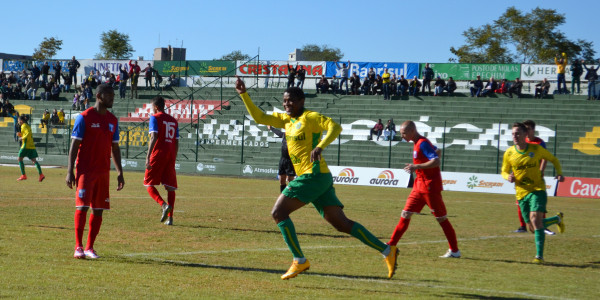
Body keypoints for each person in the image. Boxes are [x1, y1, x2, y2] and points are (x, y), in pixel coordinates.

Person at [234, 77, 399, 280]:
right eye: (285, 100)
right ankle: (387, 251)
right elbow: (259, 117)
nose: (287, 104)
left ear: (302, 101)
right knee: (341, 224)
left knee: (279, 212)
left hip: (312, 175)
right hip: (319, 178)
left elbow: (335, 127)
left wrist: (320, 146)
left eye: (291, 100)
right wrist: (244, 94)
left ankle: (299, 261)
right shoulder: (286, 120)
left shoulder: (310, 117)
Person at [66, 84, 124, 259]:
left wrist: (119, 172)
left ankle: (90, 248)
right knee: (82, 206)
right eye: (109, 95)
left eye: (113, 95)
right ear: (99, 96)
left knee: (98, 210)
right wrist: (70, 171)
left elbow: (115, 148)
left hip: (103, 172)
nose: (113, 98)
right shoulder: (84, 117)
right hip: (85, 170)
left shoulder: (113, 120)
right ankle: (78, 247)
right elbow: (74, 145)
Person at [387, 120, 460, 259]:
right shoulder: (418, 143)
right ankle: (390, 245)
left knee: (441, 219)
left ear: (412, 131)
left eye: (403, 134)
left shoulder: (422, 143)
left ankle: (455, 250)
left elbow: (436, 160)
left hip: (429, 188)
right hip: (418, 186)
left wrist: (417, 167)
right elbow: (438, 150)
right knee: (405, 213)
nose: (402, 136)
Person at [501, 122, 565, 264]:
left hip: (537, 190)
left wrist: (559, 173)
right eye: (513, 134)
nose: (515, 136)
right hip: (521, 192)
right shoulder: (509, 152)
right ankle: (556, 219)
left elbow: (553, 159)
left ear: (525, 135)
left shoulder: (536, 149)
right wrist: (508, 177)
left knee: (536, 220)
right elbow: (504, 171)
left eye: (518, 133)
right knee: (532, 226)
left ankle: (539, 257)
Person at [144, 96, 179, 226]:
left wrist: (148, 157)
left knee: (148, 184)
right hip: (170, 155)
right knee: (170, 187)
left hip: (158, 153)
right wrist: (173, 158)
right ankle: (170, 219)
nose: (151, 109)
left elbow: (154, 137)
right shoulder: (174, 121)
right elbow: (176, 142)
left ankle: (163, 205)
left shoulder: (155, 118)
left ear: (156, 107)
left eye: (152, 107)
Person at [523, 120, 554, 235]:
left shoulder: (540, 142)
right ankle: (523, 226)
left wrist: (541, 171)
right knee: (522, 203)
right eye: (524, 129)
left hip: (536, 178)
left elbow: (545, 157)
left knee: (539, 203)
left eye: (528, 129)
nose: (526, 131)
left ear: (533, 129)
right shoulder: (523, 141)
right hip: (524, 178)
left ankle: (544, 226)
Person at [16, 115, 45, 182]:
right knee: (34, 160)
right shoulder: (27, 125)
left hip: (26, 146)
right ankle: (41, 175)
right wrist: (20, 135)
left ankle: (23, 175)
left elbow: (28, 134)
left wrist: (21, 138)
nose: (18, 122)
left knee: (19, 159)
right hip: (31, 145)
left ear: (21, 121)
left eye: (18, 120)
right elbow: (27, 134)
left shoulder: (23, 125)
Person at [268, 125, 296, 192]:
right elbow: (278, 132)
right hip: (283, 160)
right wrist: (271, 128)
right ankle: (282, 195)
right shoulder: (284, 135)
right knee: (281, 180)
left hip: (291, 161)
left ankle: (290, 196)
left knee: (290, 180)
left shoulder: (295, 138)